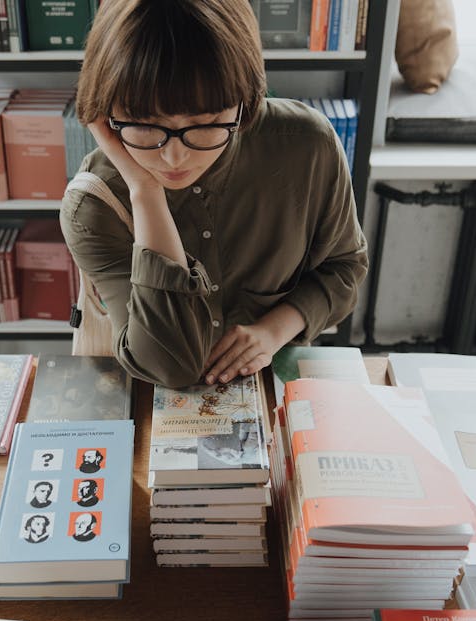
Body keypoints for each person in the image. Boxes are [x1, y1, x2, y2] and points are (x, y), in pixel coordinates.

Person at [63, 0, 368, 389]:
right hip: (143, 411)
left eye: (205, 123)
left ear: (244, 101)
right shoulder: (94, 204)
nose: (174, 156)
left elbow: (344, 268)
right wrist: (146, 192)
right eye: (146, 124)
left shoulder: (308, 147)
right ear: (104, 113)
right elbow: (169, 366)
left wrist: (273, 331)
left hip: (274, 386)